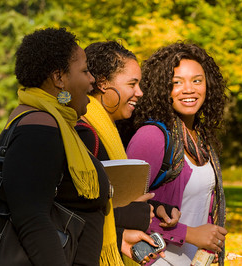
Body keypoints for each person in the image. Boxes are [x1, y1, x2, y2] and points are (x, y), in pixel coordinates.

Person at [0, 27, 157, 266]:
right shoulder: (39, 126)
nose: (92, 79)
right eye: (84, 71)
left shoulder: (56, 123)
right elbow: (32, 219)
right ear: (59, 78)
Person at [75, 41, 179, 264]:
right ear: (102, 83)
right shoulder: (84, 134)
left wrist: (156, 208)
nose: (139, 93)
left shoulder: (107, 132)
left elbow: (114, 201)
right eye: (132, 84)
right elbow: (73, 211)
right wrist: (134, 215)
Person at [126, 42, 228, 265]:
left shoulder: (202, 140)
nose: (189, 89)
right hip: (159, 260)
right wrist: (189, 233)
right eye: (176, 83)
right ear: (163, 89)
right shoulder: (151, 137)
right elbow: (124, 209)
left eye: (197, 80)